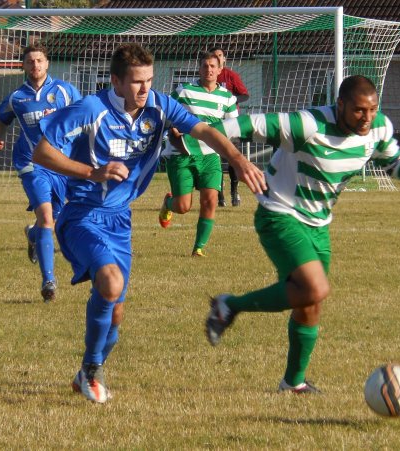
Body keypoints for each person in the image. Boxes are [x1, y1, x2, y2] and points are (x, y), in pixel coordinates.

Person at [32, 43, 266, 403]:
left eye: (150, 80)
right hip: (81, 214)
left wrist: (236, 159)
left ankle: (85, 372)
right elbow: (43, 151)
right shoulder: (91, 109)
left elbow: (203, 130)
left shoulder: (159, 105)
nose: (145, 89)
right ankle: (92, 370)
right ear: (116, 81)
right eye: (137, 82)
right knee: (110, 285)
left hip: (119, 221)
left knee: (116, 317)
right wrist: (93, 172)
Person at [205, 75, 400, 394]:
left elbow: (396, 164)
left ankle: (292, 383)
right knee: (315, 288)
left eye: (372, 110)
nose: (367, 118)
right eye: (359, 111)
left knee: (310, 303)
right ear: (340, 104)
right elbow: (233, 127)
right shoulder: (307, 125)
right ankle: (229, 306)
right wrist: (232, 157)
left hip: (319, 224)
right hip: (279, 213)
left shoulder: (378, 128)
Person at [0, 45, 81, 302]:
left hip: (62, 164)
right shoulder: (17, 97)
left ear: (47, 63)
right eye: (30, 61)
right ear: (24, 66)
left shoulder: (65, 91)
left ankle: (33, 235)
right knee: (47, 217)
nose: (35, 65)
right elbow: (2, 119)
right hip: (31, 164)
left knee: (53, 222)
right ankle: (48, 280)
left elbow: (85, 117)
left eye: (39, 60)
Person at [158, 51, 239, 257]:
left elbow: (233, 127)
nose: (209, 70)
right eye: (205, 66)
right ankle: (169, 202)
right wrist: (172, 129)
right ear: (199, 68)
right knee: (183, 206)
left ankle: (198, 248)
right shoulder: (184, 91)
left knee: (210, 200)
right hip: (181, 153)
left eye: (213, 66)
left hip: (210, 156)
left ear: (220, 69)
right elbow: (166, 113)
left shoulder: (228, 98)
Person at [210, 47, 250, 207]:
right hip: (213, 124)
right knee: (214, 159)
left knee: (232, 159)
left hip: (231, 123)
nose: (217, 58)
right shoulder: (208, 76)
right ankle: (219, 195)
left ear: (224, 59)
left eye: (220, 56)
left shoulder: (231, 75)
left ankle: (234, 192)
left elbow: (245, 94)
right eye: (214, 56)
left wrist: (230, 100)